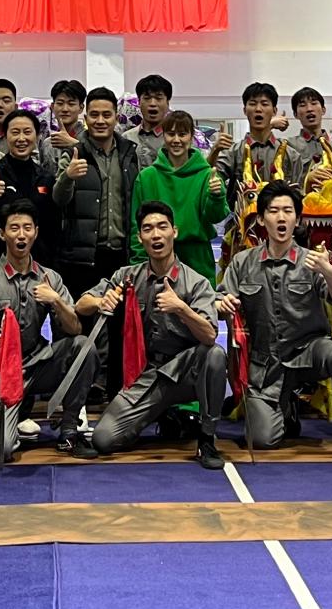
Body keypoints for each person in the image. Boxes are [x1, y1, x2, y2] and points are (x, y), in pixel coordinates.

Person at [216, 182, 332, 466]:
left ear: (297, 219)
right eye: (273, 211)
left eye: (288, 211)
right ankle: (287, 409)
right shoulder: (243, 262)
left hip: (309, 353)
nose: (281, 218)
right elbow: (220, 300)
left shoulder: (312, 261)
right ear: (261, 219)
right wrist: (222, 304)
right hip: (266, 363)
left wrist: (328, 270)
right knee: (262, 439)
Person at [71, 201, 229, 469]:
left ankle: (207, 438)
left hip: (186, 372)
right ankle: (162, 414)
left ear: (174, 232)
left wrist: (181, 308)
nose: (156, 235)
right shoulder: (128, 277)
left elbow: (210, 335)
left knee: (215, 355)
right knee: (103, 439)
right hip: (148, 376)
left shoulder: (196, 283)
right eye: (148, 229)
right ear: (140, 237)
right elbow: (80, 304)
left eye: (162, 227)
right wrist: (100, 302)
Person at [0, 201, 96, 458]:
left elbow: (75, 328)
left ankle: (70, 430)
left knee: (83, 348)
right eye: (14, 228)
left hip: (38, 366)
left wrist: (56, 301)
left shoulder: (50, 278)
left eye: (27, 228)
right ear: (2, 234)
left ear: (36, 232)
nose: (21, 235)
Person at [52, 87, 142, 295]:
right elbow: (58, 199)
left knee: (118, 314)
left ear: (116, 118)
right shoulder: (73, 153)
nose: (100, 121)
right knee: (82, 313)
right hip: (82, 260)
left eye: (106, 115)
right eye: (94, 115)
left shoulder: (129, 155)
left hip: (121, 257)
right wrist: (68, 177)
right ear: (85, 119)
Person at [129, 110, 228, 283]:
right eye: (171, 134)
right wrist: (138, 263)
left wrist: (217, 196)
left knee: (200, 300)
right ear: (163, 136)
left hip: (197, 259)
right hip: (156, 258)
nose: (176, 140)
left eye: (182, 134)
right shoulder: (146, 177)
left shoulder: (207, 175)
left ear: (191, 137)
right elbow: (136, 225)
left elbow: (216, 216)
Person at [0, 110, 56, 264]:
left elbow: (53, 226)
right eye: (15, 132)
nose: (21, 138)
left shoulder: (46, 178)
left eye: (27, 132)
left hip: (38, 264)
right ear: (5, 136)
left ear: (37, 136)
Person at [219, 81, 284, 199]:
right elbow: (210, 177)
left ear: (274, 111)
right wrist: (215, 150)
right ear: (245, 110)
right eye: (253, 104)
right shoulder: (233, 152)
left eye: (264, 104)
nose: (258, 109)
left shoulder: (289, 154)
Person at [287, 86, 332, 175]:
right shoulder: (288, 145)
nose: (309, 109)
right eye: (302, 105)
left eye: (314, 103)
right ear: (295, 114)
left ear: (323, 110)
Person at [130, 74, 174, 167]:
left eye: (159, 98)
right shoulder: (127, 138)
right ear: (139, 102)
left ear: (167, 102)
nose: (152, 103)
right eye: (147, 98)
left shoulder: (176, 140)